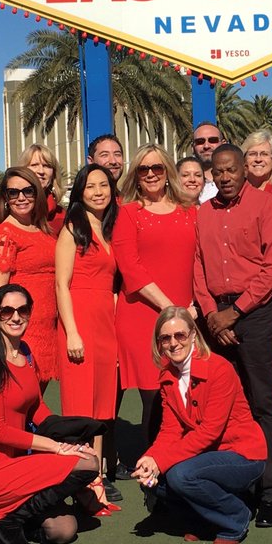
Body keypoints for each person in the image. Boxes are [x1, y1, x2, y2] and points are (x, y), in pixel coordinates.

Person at [193, 144, 272, 528]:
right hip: (217, 316)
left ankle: (270, 490)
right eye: (218, 172)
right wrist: (214, 315)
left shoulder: (268, 208)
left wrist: (236, 313)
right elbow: (198, 266)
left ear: (244, 169)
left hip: (257, 313)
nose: (225, 177)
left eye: (231, 170)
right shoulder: (205, 212)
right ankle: (234, 482)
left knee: (263, 401)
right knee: (227, 404)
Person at [0, 284, 101, 544]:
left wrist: (71, 438)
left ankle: (4, 519)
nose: (16, 317)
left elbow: (37, 408)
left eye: (22, 310)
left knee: (65, 529)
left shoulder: (23, 353)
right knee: (89, 463)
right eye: (7, 311)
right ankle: (6, 522)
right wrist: (55, 448)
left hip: (18, 466)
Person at [133, 307, 268, 544]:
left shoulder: (219, 369)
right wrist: (150, 458)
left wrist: (161, 461)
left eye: (180, 335)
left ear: (194, 335)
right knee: (151, 480)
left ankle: (236, 516)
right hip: (206, 456)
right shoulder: (168, 376)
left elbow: (209, 432)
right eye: (166, 338)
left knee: (179, 475)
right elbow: (170, 431)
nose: (173, 343)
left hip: (243, 454)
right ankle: (204, 520)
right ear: (159, 343)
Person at [114, 145, 198, 468]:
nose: (150, 174)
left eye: (158, 168)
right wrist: (171, 310)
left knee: (184, 388)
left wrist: (192, 308)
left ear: (168, 173)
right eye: (143, 169)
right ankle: (156, 462)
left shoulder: (190, 210)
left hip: (186, 314)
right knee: (155, 393)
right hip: (143, 315)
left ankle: (181, 456)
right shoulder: (128, 212)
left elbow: (200, 261)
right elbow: (130, 267)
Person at [55, 164, 120, 511]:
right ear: (79, 193)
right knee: (80, 410)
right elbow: (61, 285)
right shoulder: (72, 228)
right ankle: (80, 485)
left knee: (100, 411)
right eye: (90, 186)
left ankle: (95, 480)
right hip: (79, 325)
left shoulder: (110, 229)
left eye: (104, 185)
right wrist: (72, 332)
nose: (98, 191)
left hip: (106, 328)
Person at [0, 168, 60, 383]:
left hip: (47, 327)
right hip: (24, 329)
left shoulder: (42, 229)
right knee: (20, 399)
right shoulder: (5, 234)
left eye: (28, 191)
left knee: (35, 400)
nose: (21, 198)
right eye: (13, 193)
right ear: (5, 198)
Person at [0, 143, 64, 236]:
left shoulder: (60, 214)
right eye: (34, 165)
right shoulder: (1, 207)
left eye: (46, 166)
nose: (41, 171)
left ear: (53, 173)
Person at [241, 129, 272, 195]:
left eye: (264, 154)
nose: (258, 159)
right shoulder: (236, 192)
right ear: (244, 160)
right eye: (252, 154)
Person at [192, 121, 226, 202]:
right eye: (200, 141)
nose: (206, 146)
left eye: (213, 140)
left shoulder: (237, 179)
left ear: (223, 143)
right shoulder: (182, 183)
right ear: (192, 147)